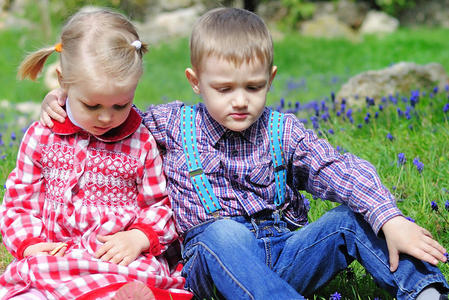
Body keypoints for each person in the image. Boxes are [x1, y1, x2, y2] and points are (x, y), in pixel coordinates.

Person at [40, 7, 449, 300]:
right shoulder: (167, 124)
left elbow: (338, 168)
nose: (240, 101)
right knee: (223, 231)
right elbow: (110, 114)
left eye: (253, 87)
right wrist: (65, 98)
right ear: (195, 82)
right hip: (213, 263)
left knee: (350, 218)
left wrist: (390, 218)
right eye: (224, 89)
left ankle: (423, 290)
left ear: (270, 79)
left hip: (286, 254)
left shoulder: (283, 130)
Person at [0, 8, 193, 300]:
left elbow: (160, 202)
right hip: (56, 253)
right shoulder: (42, 136)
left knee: (132, 282)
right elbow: (20, 201)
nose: (107, 117)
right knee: (31, 287)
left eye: (121, 105)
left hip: (117, 257)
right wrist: (28, 243)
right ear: (63, 82)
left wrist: (138, 237)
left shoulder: (140, 141)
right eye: (92, 106)